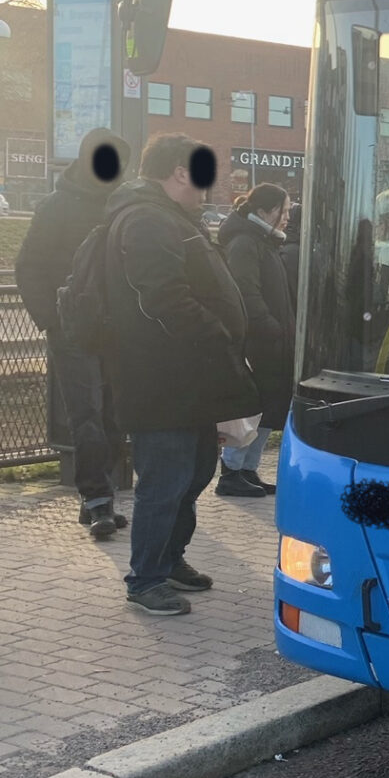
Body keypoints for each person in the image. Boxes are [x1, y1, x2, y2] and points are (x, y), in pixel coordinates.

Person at [104, 135, 259, 616]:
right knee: (165, 479)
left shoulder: (168, 217)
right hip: (161, 379)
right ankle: (145, 578)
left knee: (194, 472)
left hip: (188, 380)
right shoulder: (147, 219)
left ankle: (170, 560)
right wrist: (216, 336)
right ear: (180, 172)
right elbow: (164, 298)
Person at [16, 128, 132, 540]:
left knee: (114, 416)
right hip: (72, 329)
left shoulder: (123, 205)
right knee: (86, 416)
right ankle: (96, 499)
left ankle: (104, 496)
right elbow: (28, 265)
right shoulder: (56, 206)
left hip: (116, 330)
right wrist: (51, 319)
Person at [216, 184, 293, 497]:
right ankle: (231, 471)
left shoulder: (264, 241)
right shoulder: (245, 242)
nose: (288, 217)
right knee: (253, 409)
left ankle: (247, 469)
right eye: (284, 210)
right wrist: (271, 328)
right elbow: (246, 292)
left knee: (269, 408)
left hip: (272, 341)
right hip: (259, 342)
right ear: (265, 211)